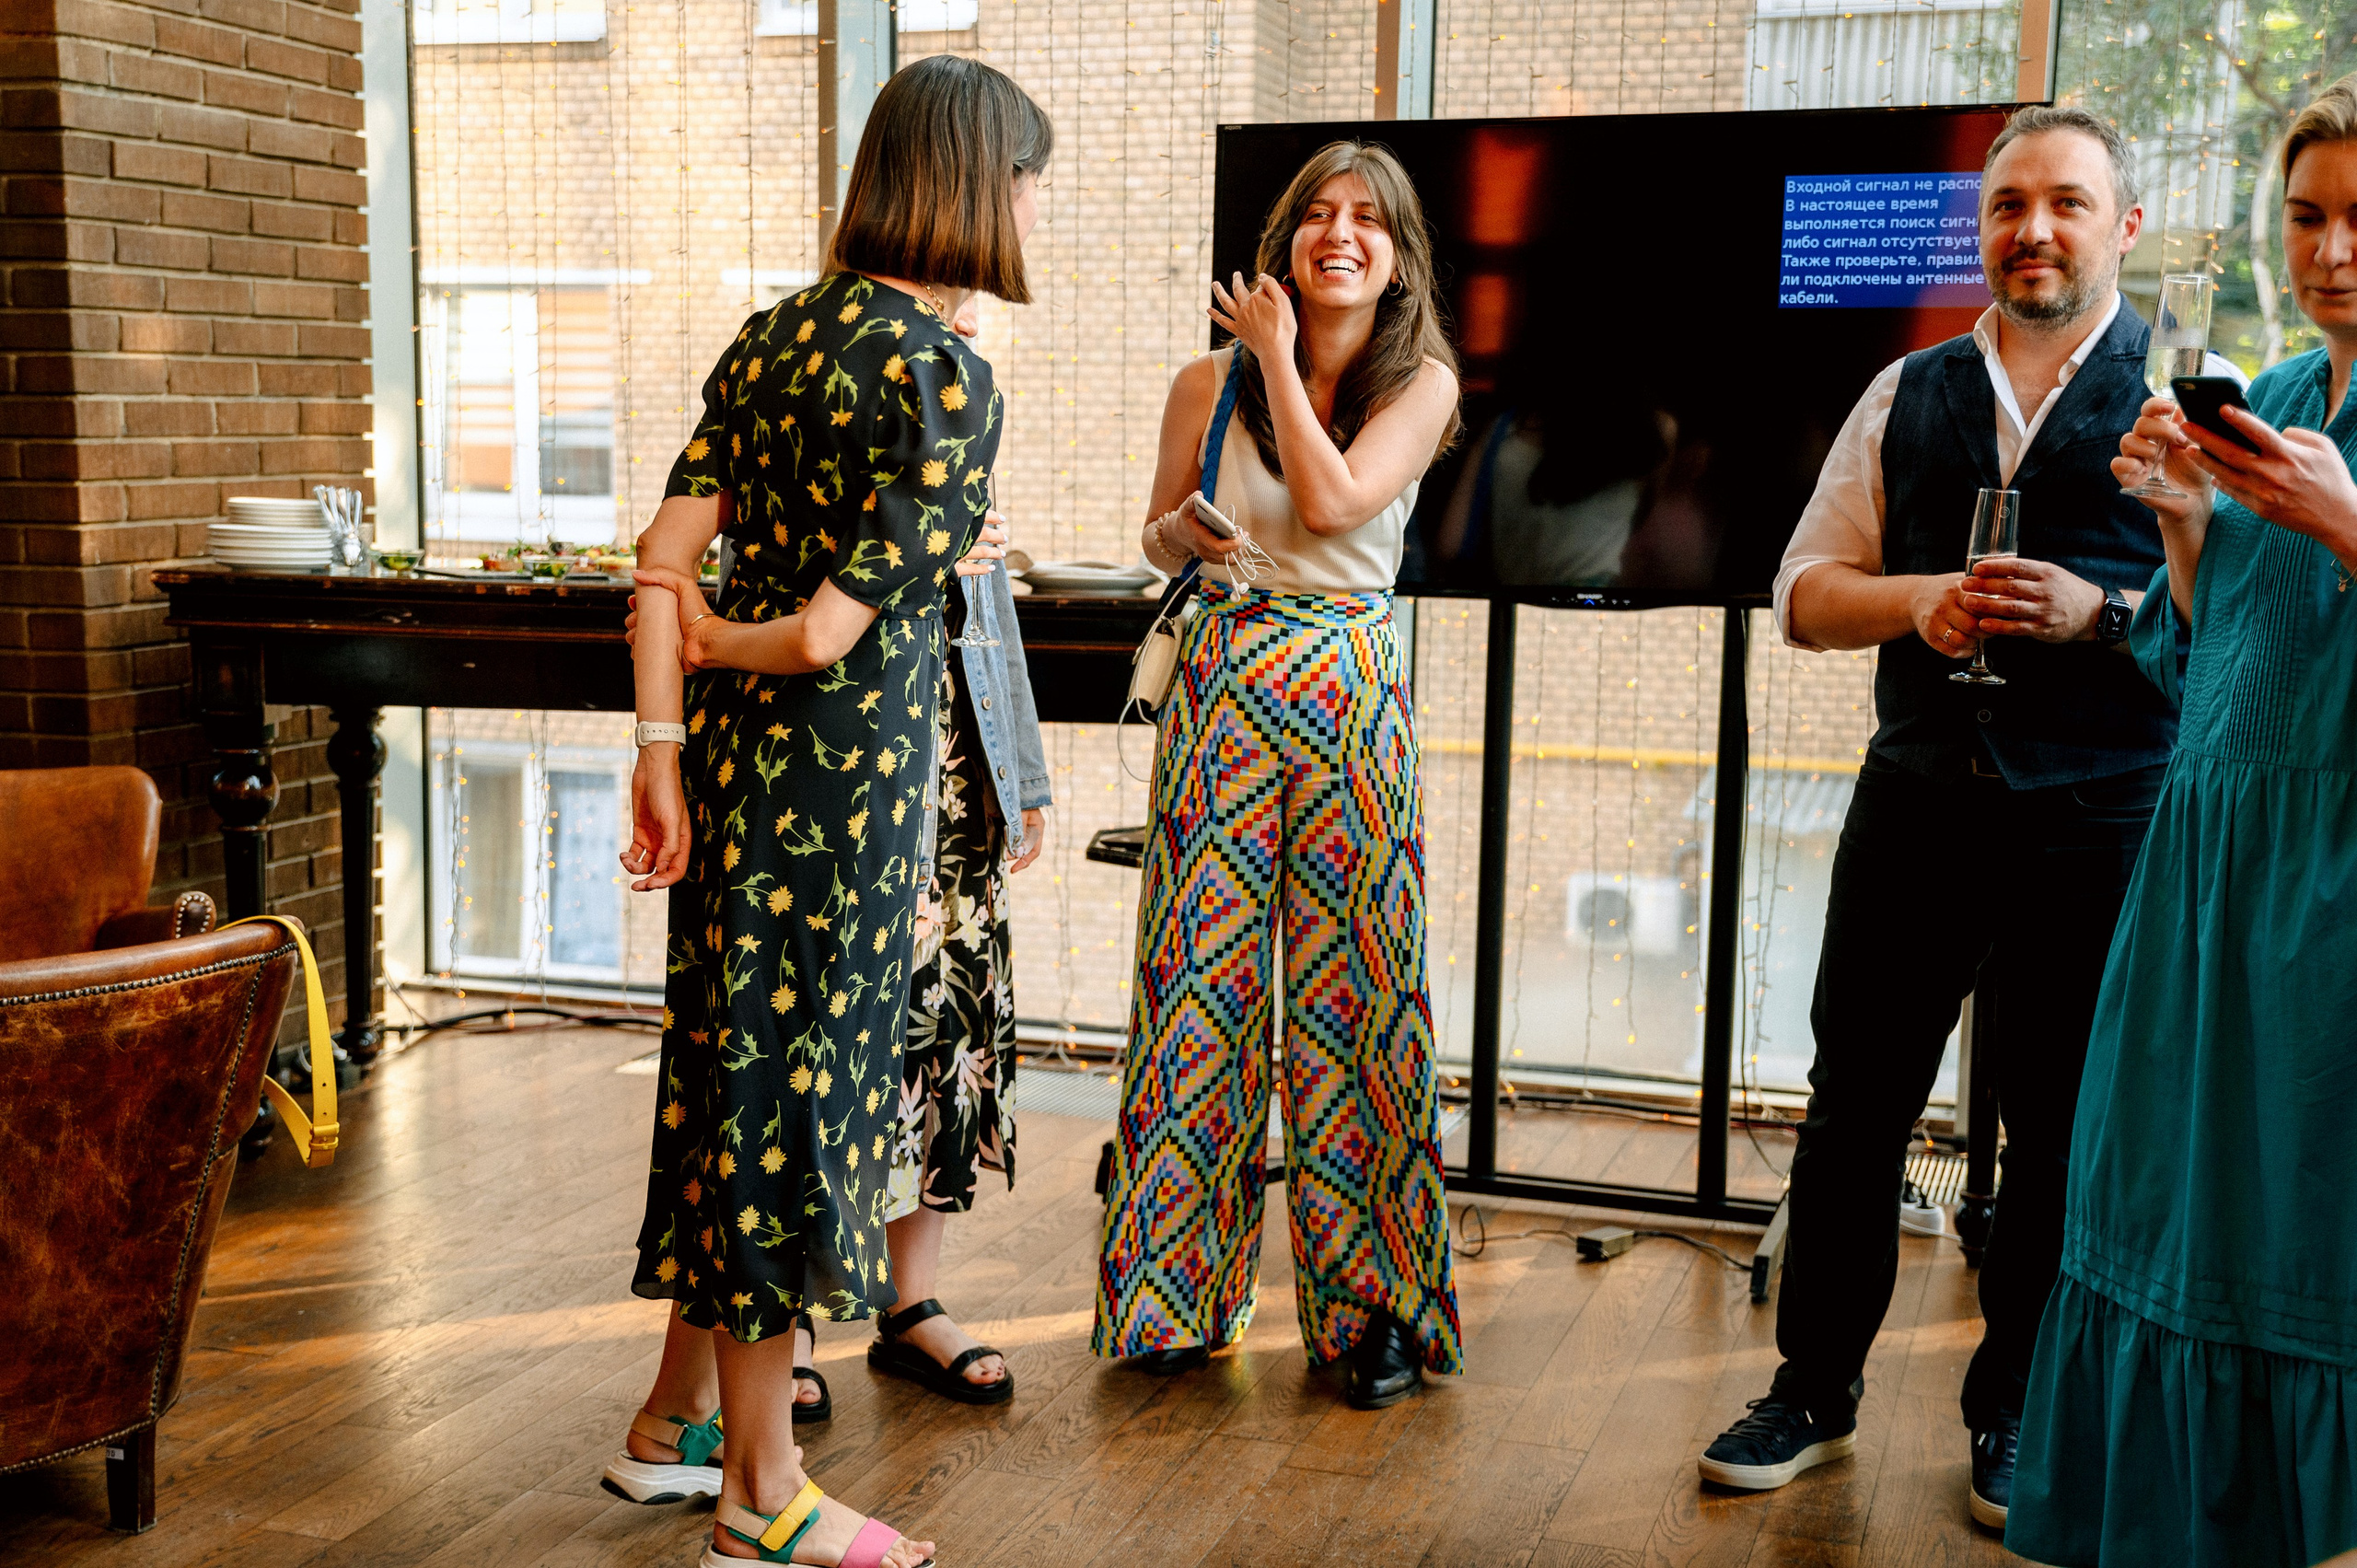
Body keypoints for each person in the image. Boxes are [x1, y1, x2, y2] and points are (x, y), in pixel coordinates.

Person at [1698, 104, 2201, 1529]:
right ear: (1980, 227)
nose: (2032, 229)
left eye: (2066, 204)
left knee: (2059, 1127)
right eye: (2008, 206)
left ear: (2124, 228)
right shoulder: (1903, 388)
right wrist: (1918, 599)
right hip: (1916, 803)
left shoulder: (2182, 404)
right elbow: (1802, 592)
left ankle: (2018, 1409)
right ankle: (1811, 1387)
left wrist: (2104, 612)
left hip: (2101, 818)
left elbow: (2227, 615)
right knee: (1854, 1105)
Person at [602, 53, 1048, 1568]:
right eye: (1028, 179)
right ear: (979, 185)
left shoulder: (772, 334)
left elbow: (660, 557)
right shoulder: (945, 372)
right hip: (843, 794)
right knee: (792, 1110)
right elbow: (813, 637)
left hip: (728, 780)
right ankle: (765, 1497)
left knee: (729, 1078)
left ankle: (675, 1428)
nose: (1033, 208)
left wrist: (662, 750)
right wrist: (746, 642)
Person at [2007, 79, 2357, 1566]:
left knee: (2308, 1234)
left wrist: (2350, 520)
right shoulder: (2270, 395)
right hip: (2208, 866)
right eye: (2309, 214)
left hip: (2336, 891)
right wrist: (2184, 529)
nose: (2332, 247)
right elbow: (2221, 649)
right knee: (2167, 1219)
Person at [1091, 140, 1464, 1409]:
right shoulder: (1202, 379)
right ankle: (1170, 1298)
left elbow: (1335, 495)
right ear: (1287, 239)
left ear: (1399, 256)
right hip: (1221, 680)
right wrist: (1175, 533)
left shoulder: (1425, 386)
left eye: (1367, 219)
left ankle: (1374, 1318)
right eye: (1317, 214)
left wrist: (1275, 359)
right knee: (1198, 986)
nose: (1339, 233)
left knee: (1353, 997)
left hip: (1352, 696)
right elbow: (1154, 533)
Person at [870, 298, 1053, 1408]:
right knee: (836, 1036)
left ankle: (910, 1302)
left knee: (942, 1026)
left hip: (953, 754)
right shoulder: (829, 366)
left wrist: (1016, 765)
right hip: (848, 760)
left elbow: (981, 591)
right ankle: (787, 1322)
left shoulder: (963, 376)